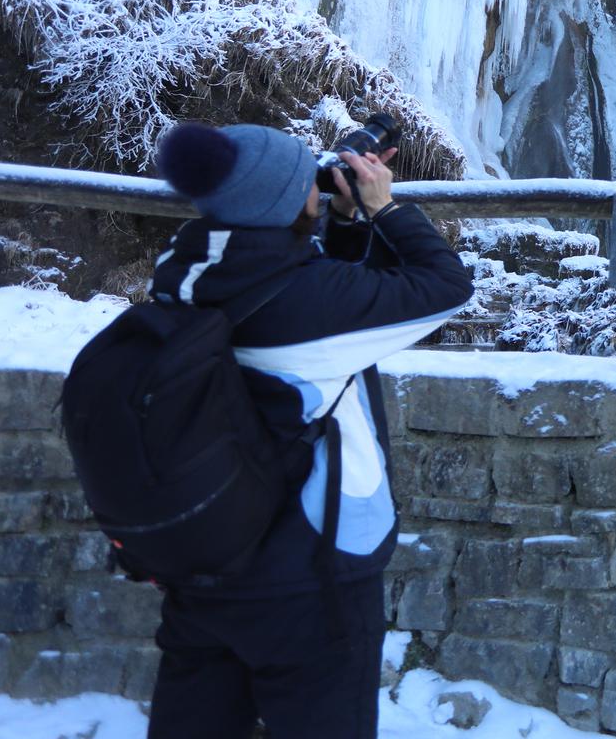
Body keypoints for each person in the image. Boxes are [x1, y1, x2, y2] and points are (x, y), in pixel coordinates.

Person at [142, 121, 473, 738]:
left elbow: (306, 296)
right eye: (307, 184)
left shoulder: (180, 270)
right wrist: (385, 208)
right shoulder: (310, 302)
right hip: (312, 573)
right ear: (284, 203)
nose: (316, 190)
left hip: (206, 558)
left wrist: (341, 225)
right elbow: (446, 290)